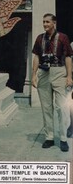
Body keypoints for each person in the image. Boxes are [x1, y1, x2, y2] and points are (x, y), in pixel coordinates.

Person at [32, 13, 73, 152]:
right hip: (43, 73)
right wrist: (33, 75)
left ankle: (63, 138)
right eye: (43, 22)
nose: (45, 24)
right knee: (46, 108)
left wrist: (69, 76)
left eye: (47, 22)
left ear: (54, 23)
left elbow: (68, 57)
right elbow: (36, 56)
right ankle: (49, 137)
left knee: (62, 108)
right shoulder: (39, 38)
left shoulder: (63, 37)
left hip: (59, 72)